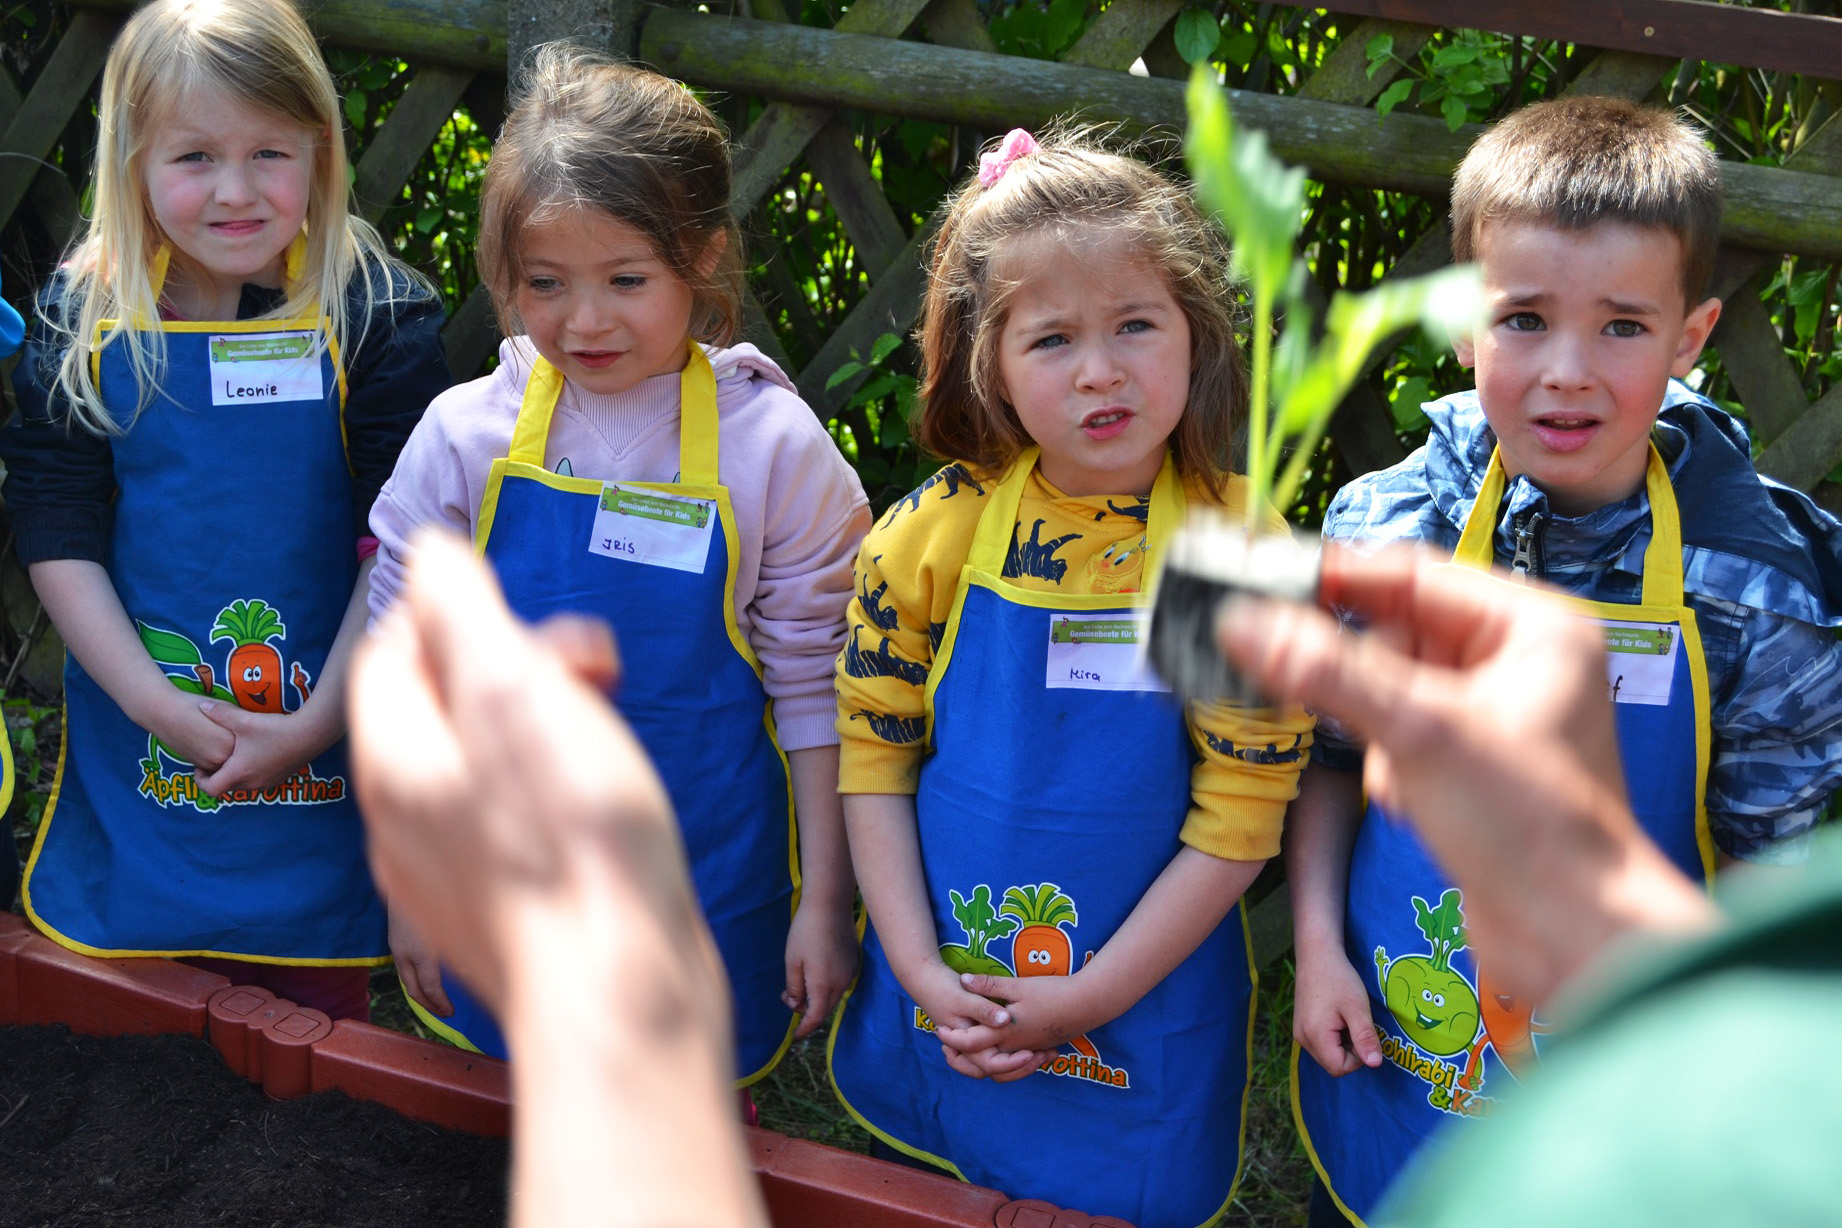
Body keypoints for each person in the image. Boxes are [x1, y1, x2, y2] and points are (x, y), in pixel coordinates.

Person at [1287, 95, 1842, 1224]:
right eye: (1523, 319)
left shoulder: (1751, 591)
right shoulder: (1381, 529)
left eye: (1624, 327)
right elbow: (1331, 761)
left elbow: (1777, 866)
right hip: (1397, 1041)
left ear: (1691, 337)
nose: (1568, 373)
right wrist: (1313, 950)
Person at [826, 128, 1315, 1228]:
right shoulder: (933, 537)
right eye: (1052, 339)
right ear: (983, 361)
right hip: (945, 981)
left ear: (1198, 332)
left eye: (1136, 325)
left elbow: (1240, 817)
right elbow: (876, 756)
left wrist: (1088, 998)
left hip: (1138, 997)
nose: (1102, 370)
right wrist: (914, 964)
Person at [368, 44, 869, 1076]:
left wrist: (825, 900)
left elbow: (822, 689)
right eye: (545, 284)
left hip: (708, 869)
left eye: (626, 280)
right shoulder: (466, 436)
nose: (583, 320)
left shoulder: (774, 451)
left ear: (706, 258)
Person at [0, 0, 450, 1021]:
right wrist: (161, 709)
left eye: (269, 155)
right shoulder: (84, 322)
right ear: (133, 163)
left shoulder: (378, 317)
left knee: (316, 1051)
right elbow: (57, 524)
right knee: (131, 1049)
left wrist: (317, 721)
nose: (237, 192)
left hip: (337, 722)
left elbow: (408, 547)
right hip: (143, 742)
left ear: (322, 154)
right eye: (195, 157)